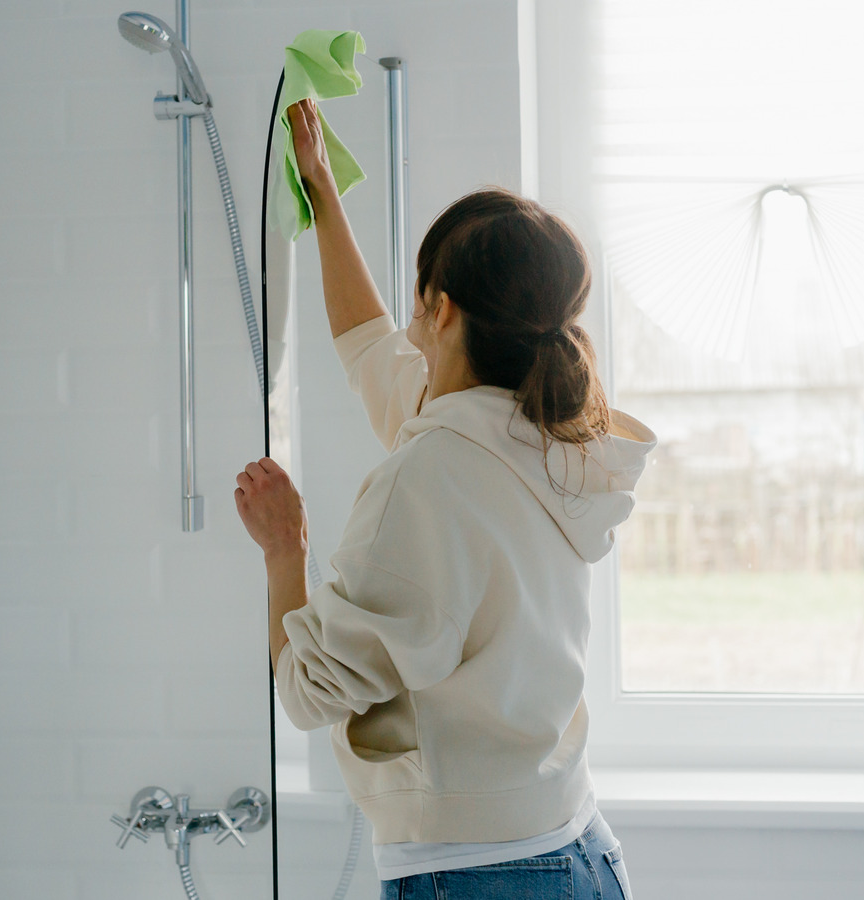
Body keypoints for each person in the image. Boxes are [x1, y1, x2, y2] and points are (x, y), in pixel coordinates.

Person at [233, 98, 656, 900]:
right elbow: (367, 347)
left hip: (475, 877)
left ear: (441, 310)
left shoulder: (425, 477)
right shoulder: (547, 436)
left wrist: (283, 548)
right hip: (579, 853)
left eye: (418, 299)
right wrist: (322, 193)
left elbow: (306, 690)